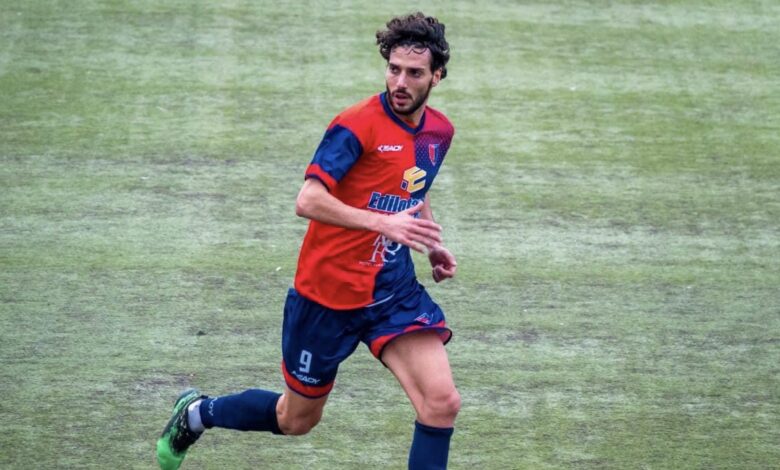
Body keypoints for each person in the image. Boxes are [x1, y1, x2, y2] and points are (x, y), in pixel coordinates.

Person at [157, 12, 459, 470]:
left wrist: (429, 240)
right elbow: (308, 199)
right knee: (296, 419)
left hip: (391, 292)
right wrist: (383, 224)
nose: (400, 82)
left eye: (414, 73)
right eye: (393, 69)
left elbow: (415, 182)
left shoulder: (438, 131)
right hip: (325, 298)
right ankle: (198, 413)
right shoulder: (356, 125)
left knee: (441, 402)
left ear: (436, 76)